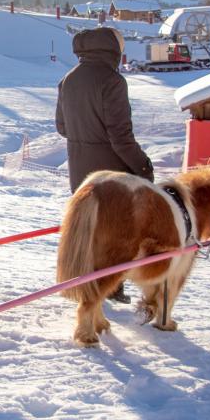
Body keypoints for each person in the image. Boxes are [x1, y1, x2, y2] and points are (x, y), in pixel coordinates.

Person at [55, 27, 154, 304]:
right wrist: (143, 167)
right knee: (116, 230)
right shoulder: (112, 81)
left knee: (89, 227)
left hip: (79, 171)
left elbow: (62, 127)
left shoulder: (67, 80)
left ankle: (87, 281)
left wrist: (84, 135)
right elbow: (121, 138)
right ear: (113, 49)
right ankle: (111, 286)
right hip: (110, 171)